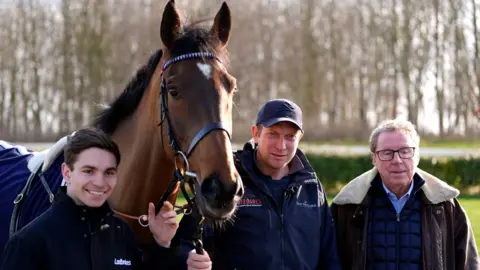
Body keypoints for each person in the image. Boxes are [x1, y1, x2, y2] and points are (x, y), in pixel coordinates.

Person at [173, 99, 341, 270]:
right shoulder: (227, 183)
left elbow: (329, 256)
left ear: (300, 138)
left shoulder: (312, 186)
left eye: (290, 137)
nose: (281, 146)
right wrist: (189, 257)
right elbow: (184, 242)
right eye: (273, 134)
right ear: (256, 133)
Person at [0, 128, 181, 270]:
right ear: (67, 172)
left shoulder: (122, 235)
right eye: (89, 171)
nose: (100, 182)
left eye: (109, 172)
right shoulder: (28, 242)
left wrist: (162, 243)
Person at [331, 119, 480, 270]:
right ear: (374, 158)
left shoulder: (446, 206)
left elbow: (469, 265)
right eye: (387, 153)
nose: (397, 160)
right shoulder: (348, 206)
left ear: (417, 156)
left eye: (405, 151)